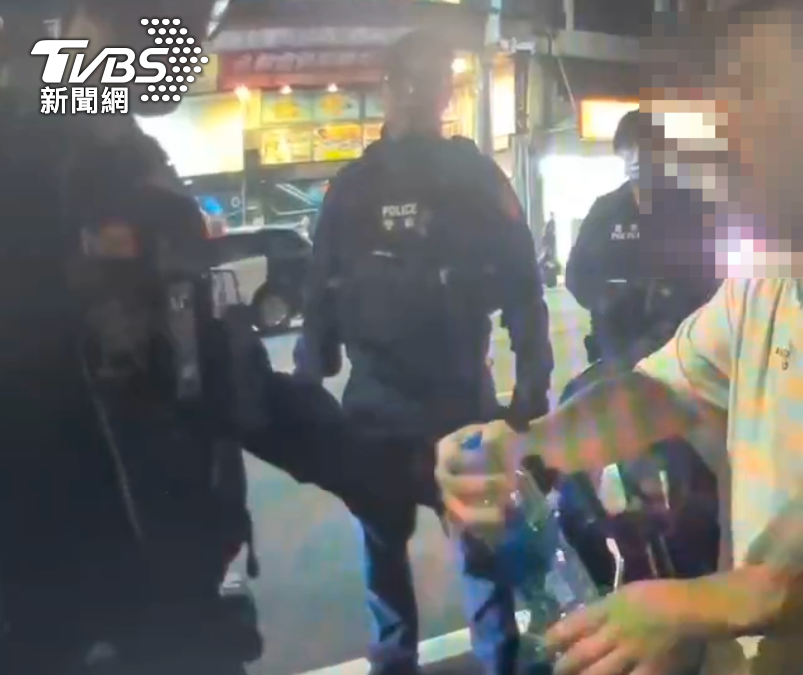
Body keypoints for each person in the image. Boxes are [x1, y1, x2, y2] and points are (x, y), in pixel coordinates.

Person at [437, 3, 803, 675]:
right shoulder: (771, 264)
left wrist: (713, 604)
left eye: (751, 88)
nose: (720, 123)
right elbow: (662, 392)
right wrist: (532, 445)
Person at [0, 3, 424, 674]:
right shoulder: (28, 175)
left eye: (202, 20)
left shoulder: (136, 175)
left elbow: (221, 379)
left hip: (179, 612)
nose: (191, 44)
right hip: (63, 628)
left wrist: (401, 470)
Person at [297, 31, 554, 675]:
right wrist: (308, 381)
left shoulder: (476, 178)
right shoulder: (352, 188)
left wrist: (533, 383)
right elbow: (320, 290)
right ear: (388, 89)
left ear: (446, 93)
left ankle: (500, 663)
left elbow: (523, 284)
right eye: (407, 81)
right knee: (383, 562)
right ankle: (393, 666)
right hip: (375, 411)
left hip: (459, 405)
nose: (418, 95)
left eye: (432, 81)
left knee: (482, 559)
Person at [566, 109, 718, 364]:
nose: (636, 157)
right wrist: (608, 297)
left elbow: (716, 280)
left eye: (646, 148)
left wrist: (672, 298)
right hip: (616, 351)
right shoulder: (605, 211)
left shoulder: (694, 209)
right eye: (629, 149)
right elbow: (576, 274)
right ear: (620, 153)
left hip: (680, 351)